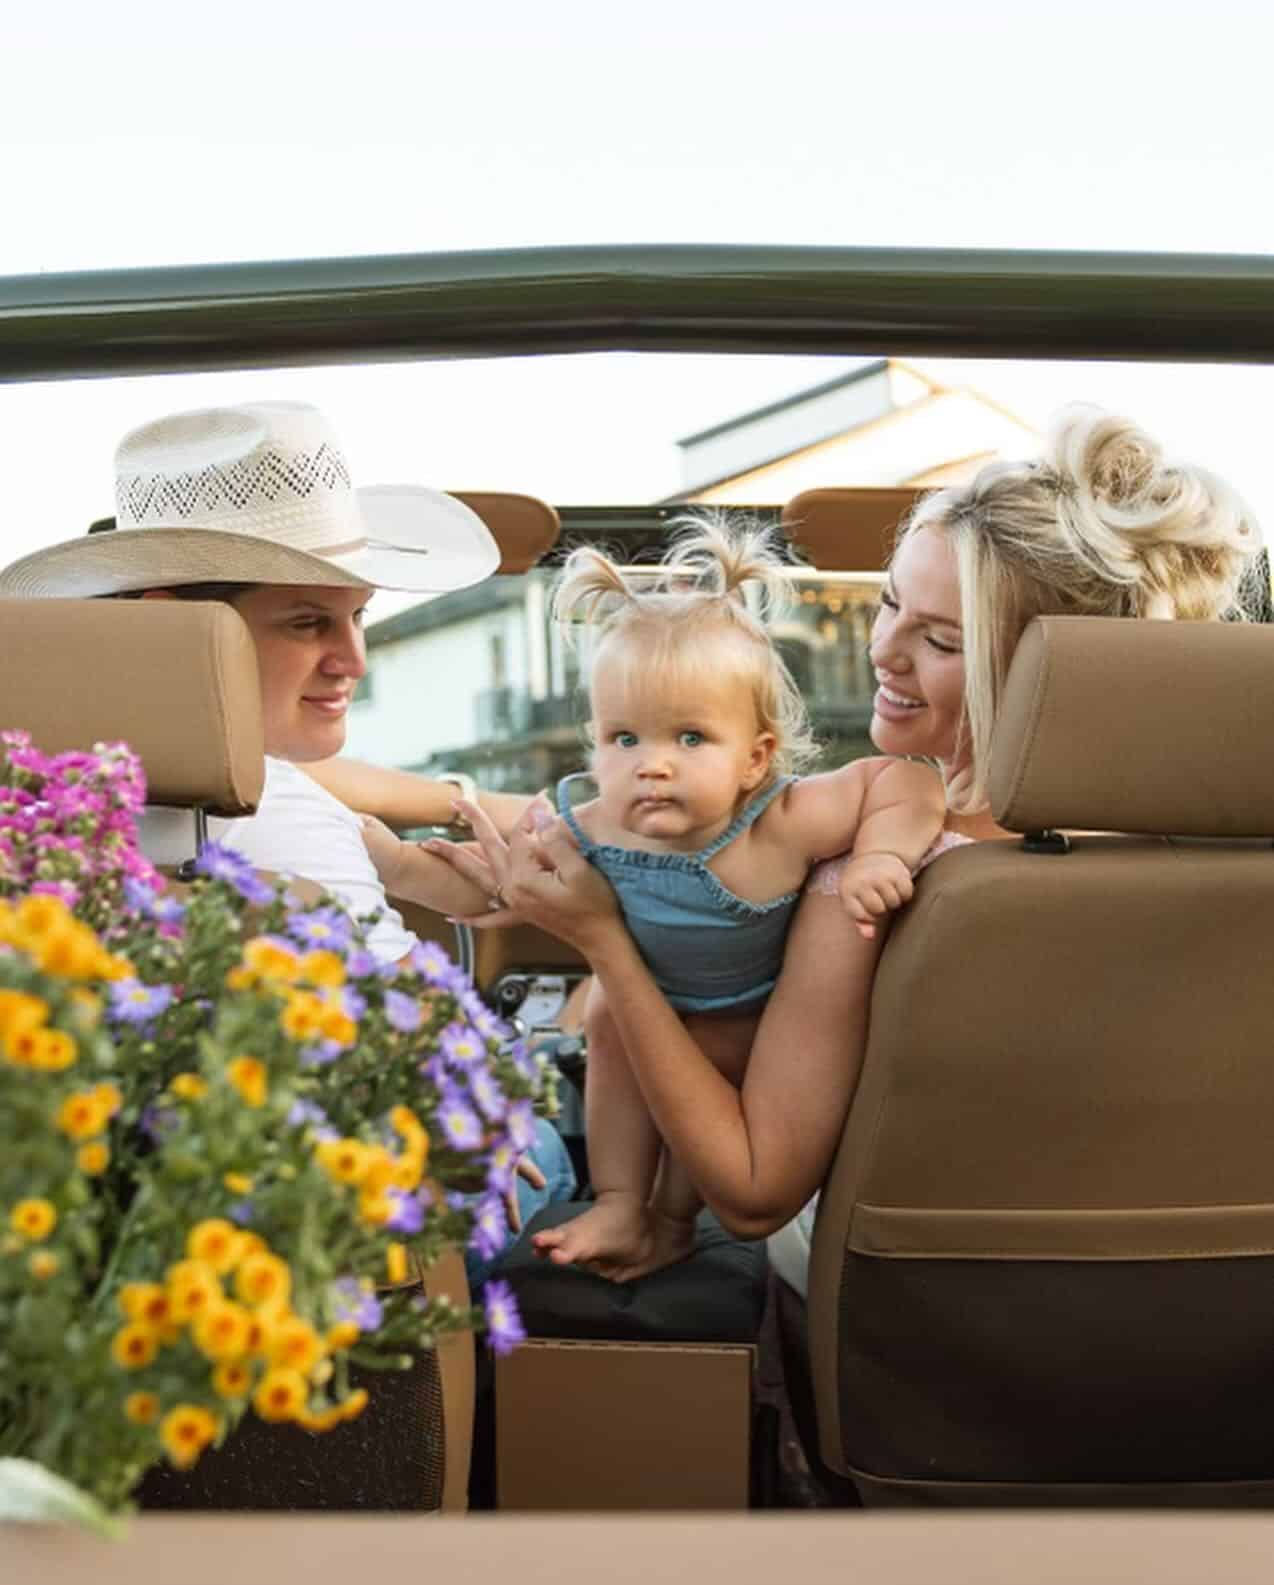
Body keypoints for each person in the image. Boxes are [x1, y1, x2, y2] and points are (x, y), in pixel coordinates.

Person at [420, 406, 1261, 1287]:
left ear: (1043, 670)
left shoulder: (869, 878)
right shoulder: (1222, 863)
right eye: (889, 601)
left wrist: (604, 944)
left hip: (908, 1288)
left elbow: (751, 1193)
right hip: (1207, 1285)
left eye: (940, 640)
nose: (884, 651)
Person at [0, 397, 577, 1278]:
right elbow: (409, 1064)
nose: (354, 658)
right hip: (453, 1147)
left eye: (357, 617)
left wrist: (458, 801)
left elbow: (308, 778)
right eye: (308, 622)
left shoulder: (78, 799)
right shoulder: (283, 830)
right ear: (181, 627)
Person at [367, 516, 946, 1278]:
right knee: (606, 1013)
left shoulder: (778, 820)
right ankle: (616, 1199)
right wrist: (389, 863)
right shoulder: (593, 827)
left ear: (756, 757)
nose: (653, 765)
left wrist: (879, 855)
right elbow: (494, 873)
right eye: (625, 739)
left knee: (662, 1035)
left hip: (752, 1017)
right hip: (657, 1006)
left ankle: (668, 1220)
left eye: (691, 739)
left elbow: (902, 779)